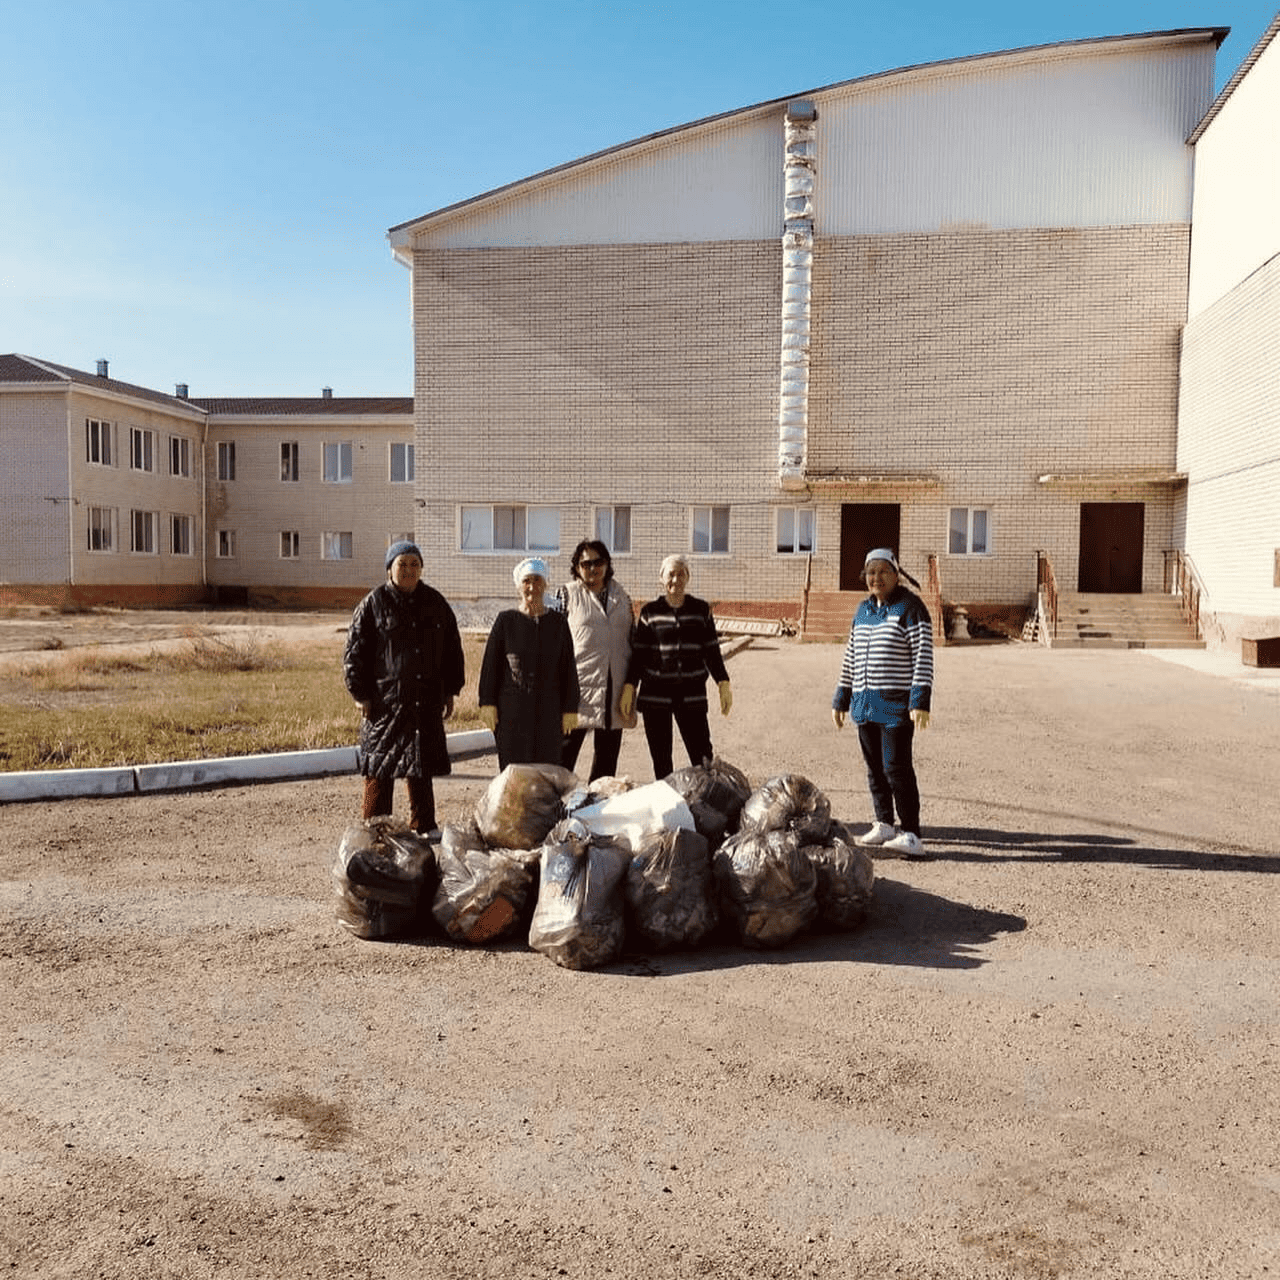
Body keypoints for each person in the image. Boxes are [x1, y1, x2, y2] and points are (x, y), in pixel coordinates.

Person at [342, 540, 465, 837]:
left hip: (425, 698)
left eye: (414, 564)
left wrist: (450, 690)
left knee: (419, 764)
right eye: (402, 564)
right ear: (389, 569)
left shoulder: (435, 602)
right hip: (385, 703)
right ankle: (375, 831)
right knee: (379, 767)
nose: (408, 570)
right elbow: (354, 652)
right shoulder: (373, 604)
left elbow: (452, 649)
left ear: (421, 568)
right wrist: (360, 694)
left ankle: (424, 825)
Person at [831, 547, 933, 859]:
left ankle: (911, 833)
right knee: (875, 770)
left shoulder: (910, 608)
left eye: (882, 571)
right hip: (865, 705)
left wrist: (920, 700)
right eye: (871, 572)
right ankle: (885, 823)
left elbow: (923, 656)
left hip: (895, 707)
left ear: (896, 575)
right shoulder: (862, 611)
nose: (876, 578)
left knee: (896, 769)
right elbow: (850, 656)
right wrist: (841, 697)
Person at [620, 554, 732, 779]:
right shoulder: (650, 612)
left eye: (681, 574)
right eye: (671, 574)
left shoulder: (701, 610)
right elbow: (640, 654)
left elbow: (711, 651)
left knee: (702, 756)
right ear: (661, 578)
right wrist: (630, 685)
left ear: (688, 577)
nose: (676, 579)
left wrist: (722, 681)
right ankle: (667, 799)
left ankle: (708, 795)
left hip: (691, 695)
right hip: (656, 697)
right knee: (661, 759)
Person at [478, 557, 580, 769]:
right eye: (526, 581)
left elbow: (568, 668)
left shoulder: (558, 623)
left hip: (549, 713)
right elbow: (490, 665)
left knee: (546, 772)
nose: (532, 587)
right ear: (518, 586)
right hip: (512, 713)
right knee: (514, 774)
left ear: (546, 584)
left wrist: (570, 707)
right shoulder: (506, 621)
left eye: (537, 580)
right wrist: (487, 702)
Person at [555, 539, 634, 781]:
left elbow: (633, 641)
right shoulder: (566, 595)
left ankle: (597, 802)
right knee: (562, 760)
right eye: (585, 563)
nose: (592, 568)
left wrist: (631, 684)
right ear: (576, 567)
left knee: (606, 763)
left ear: (607, 564)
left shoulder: (622, 597)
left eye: (598, 562)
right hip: (577, 689)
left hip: (614, 688)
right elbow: (553, 643)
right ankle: (554, 801)